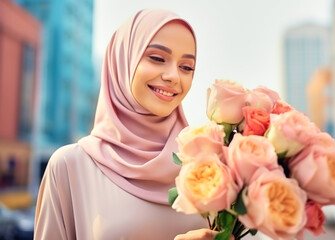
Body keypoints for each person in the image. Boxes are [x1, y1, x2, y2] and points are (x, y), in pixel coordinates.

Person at [34, 8, 227, 240]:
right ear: (122, 61)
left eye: (186, 67)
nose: (174, 76)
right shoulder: (69, 167)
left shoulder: (210, 165)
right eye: (157, 58)